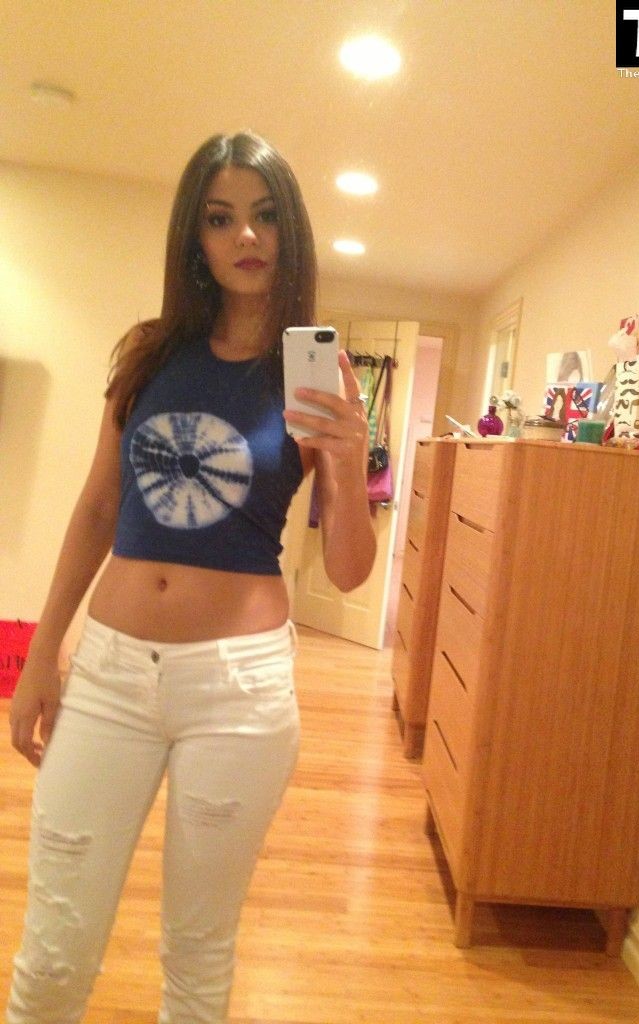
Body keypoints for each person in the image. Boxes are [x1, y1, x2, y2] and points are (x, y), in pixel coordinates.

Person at [6, 131, 376, 1024]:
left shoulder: (317, 373)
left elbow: (349, 570)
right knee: (52, 951)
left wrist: (347, 455)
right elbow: (98, 507)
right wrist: (43, 654)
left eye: (265, 215)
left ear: (291, 231)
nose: (245, 235)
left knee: (198, 952)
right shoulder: (148, 353)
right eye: (220, 218)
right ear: (195, 237)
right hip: (109, 674)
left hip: (238, 690)